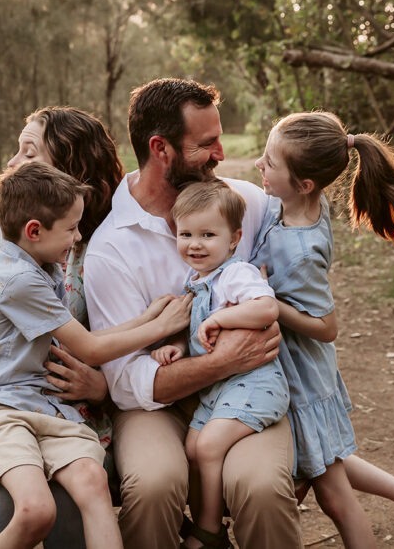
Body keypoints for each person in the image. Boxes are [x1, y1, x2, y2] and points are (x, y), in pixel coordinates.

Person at [0, 107, 181, 547]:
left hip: (57, 410)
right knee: (10, 500)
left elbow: (97, 355)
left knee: (82, 487)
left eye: (30, 154)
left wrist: (101, 384)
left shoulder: (93, 244)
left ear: (70, 176)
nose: (12, 166)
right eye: (18, 151)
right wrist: (157, 325)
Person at [84, 78, 301, 549]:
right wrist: (221, 360)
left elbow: (305, 221)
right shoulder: (111, 248)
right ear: (160, 149)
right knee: (153, 484)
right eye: (206, 144)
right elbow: (124, 384)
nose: (221, 153)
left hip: (245, 391)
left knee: (262, 487)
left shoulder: (244, 202)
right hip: (157, 401)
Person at [252, 111, 394, 549]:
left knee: (335, 496)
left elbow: (327, 327)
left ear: (305, 183)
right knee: (326, 463)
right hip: (301, 373)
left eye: (270, 163)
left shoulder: (302, 248)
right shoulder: (298, 206)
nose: (259, 166)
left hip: (302, 379)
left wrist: (272, 305)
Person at [150, 180, 288, 549]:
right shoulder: (194, 280)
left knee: (208, 446)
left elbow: (266, 308)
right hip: (220, 390)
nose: (195, 244)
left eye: (208, 234)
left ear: (233, 239)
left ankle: (208, 531)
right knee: (193, 446)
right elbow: (191, 325)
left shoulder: (235, 274)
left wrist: (219, 320)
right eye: (186, 234)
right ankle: (210, 520)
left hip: (256, 384)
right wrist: (175, 347)